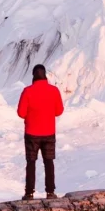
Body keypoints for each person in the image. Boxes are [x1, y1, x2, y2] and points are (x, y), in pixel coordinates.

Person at [16, 64, 64, 200]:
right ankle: (50, 192)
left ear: (33, 76)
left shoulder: (27, 91)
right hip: (49, 133)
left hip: (31, 134)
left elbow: (21, 113)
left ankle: (29, 193)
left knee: (31, 162)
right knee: (49, 162)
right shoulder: (54, 91)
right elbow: (59, 111)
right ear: (45, 76)